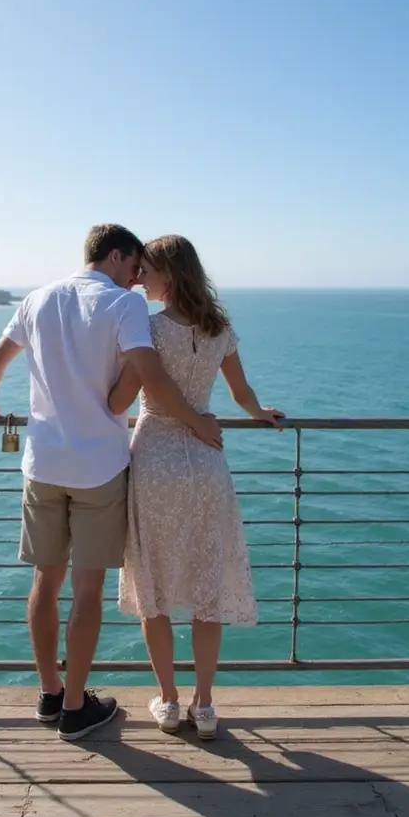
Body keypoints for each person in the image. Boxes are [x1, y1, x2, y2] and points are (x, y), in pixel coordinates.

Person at [0, 224, 223, 742]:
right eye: (134, 266)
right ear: (117, 255)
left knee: (45, 581)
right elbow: (147, 374)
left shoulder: (37, 298)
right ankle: (77, 708)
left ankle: (49, 693)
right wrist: (196, 421)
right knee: (87, 590)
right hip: (99, 468)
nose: (136, 278)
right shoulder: (122, 306)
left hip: (42, 463)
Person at [109, 235, 284, 740]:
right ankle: (204, 706)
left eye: (146, 270)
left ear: (168, 274)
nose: (138, 278)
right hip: (207, 461)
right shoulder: (219, 327)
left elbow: (124, 394)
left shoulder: (147, 326)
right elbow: (241, 391)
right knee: (207, 589)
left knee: (154, 591)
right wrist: (259, 413)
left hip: (156, 459)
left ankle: (166, 701)